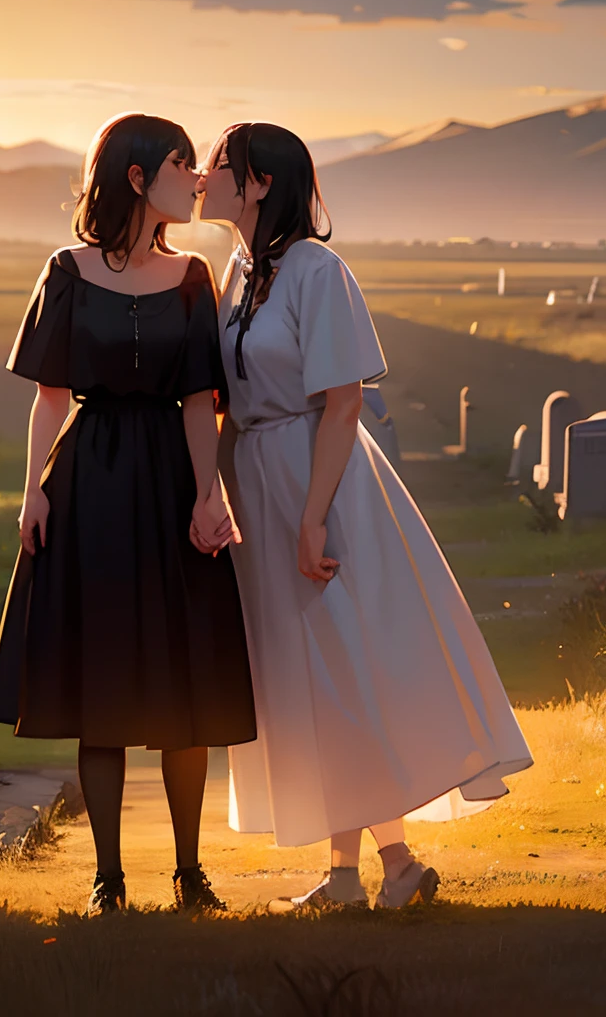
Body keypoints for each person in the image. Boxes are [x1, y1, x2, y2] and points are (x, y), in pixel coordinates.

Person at [196, 121, 532, 911]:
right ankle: (363, 871)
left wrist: (313, 518)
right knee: (309, 677)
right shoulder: (236, 271)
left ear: (261, 183)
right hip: (256, 482)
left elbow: (343, 403)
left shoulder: (319, 270)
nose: (206, 176)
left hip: (321, 479)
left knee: (345, 662)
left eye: (219, 164)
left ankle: (390, 864)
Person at [0, 113, 255, 915]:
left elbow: (201, 399)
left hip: (171, 479)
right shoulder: (65, 270)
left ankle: (190, 872)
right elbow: (50, 395)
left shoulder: (194, 276)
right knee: (95, 685)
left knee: (185, 684)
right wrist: (32, 488)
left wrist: (209, 497)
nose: (196, 177)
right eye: (180, 163)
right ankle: (107, 879)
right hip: (88, 482)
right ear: (137, 178)